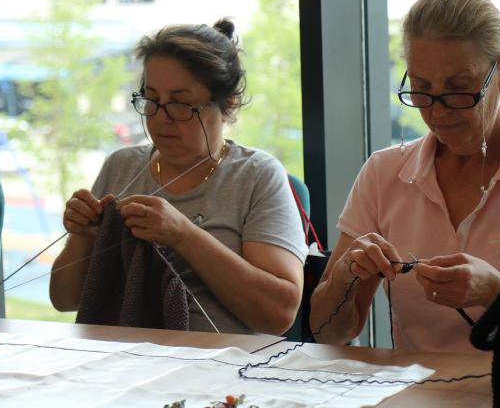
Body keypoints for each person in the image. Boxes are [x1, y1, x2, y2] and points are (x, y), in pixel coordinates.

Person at [309, 0, 500, 353]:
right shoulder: (383, 174)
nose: (438, 112)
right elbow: (327, 333)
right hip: (413, 384)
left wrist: (497, 292)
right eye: (421, 88)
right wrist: (344, 279)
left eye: (459, 88)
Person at [50, 19, 308, 336]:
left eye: (180, 104)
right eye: (151, 100)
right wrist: (84, 236)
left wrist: (183, 235)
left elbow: (278, 314)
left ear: (227, 104)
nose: (161, 119)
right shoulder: (121, 167)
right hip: (125, 357)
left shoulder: (256, 176)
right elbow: (63, 299)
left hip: (223, 363)